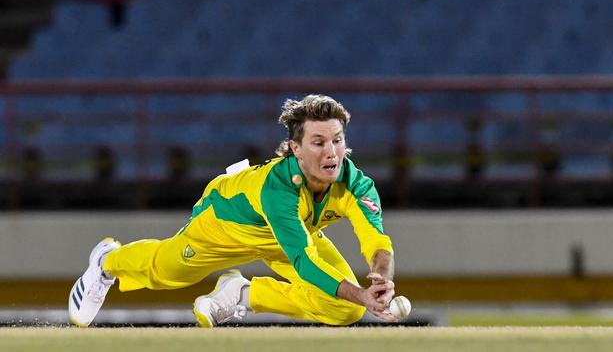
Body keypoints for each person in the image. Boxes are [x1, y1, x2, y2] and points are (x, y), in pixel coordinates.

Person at [68, 94, 398, 327]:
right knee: (165, 273)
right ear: (295, 149)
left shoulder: (356, 185)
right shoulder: (279, 189)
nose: (331, 153)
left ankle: (242, 294)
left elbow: (375, 241)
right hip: (226, 223)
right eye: (318, 142)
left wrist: (380, 281)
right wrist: (361, 294)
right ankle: (106, 262)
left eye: (337, 140)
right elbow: (304, 261)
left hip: (290, 236)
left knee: (345, 310)